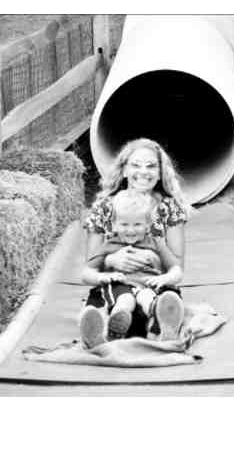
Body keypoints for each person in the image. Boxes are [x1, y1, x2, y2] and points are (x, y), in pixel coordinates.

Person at [79, 138, 192, 348]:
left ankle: (161, 326)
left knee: (157, 304)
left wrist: (154, 257)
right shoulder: (105, 207)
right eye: (136, 165)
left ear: (160, 172)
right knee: (115, 307)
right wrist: (111, 260)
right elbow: (90, 268)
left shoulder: (169, 207)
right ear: (124, 170)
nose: (143, 171)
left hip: (153, 284)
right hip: (117, 286)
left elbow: (176, 267)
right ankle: (101, 332)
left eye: (151, 166)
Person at [80, 190, 183, 346]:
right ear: (114, 224)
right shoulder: (110, 245)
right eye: (124, 224)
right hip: (121, 286)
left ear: (148, 225)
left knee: (148, 296)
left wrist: (164, 278)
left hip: (149, 286)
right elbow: (86, 273)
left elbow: (177, 271)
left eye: (137, 224)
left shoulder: (156, 243)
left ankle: (162, 327)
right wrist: (103, 277)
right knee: (125, 300)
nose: (131, 230)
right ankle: (113, 330)